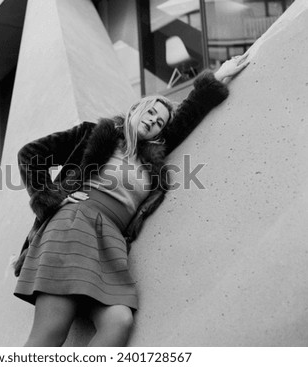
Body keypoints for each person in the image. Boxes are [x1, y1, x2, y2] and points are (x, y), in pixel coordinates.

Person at [13, 54, 250, 347]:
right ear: (136, 110)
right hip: (73, 228)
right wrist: (51, 197)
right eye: (150, 112)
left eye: (160, 122)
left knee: (119, 322)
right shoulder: (93, 133)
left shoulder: (152, 156)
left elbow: (189, 113)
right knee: (50, 332)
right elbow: (30, 153)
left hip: (111, 240)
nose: (153, 121)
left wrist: (219, 76)